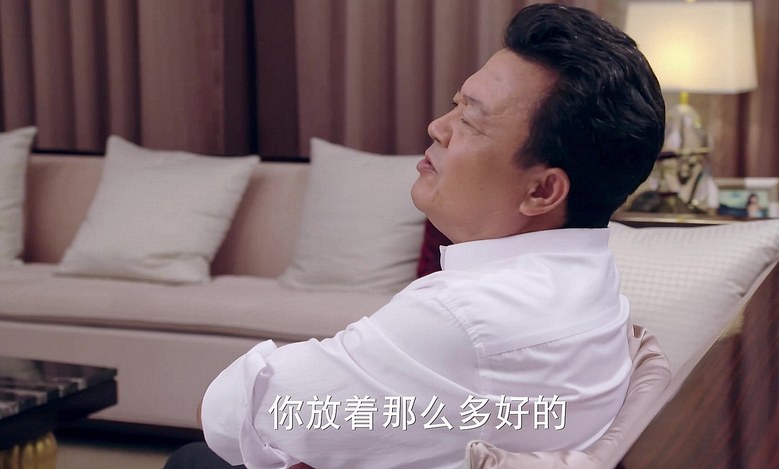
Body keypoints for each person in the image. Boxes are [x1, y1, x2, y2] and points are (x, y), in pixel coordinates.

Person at [168, 4, 664, 468]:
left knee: (195, 458)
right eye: (455, 105)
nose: (437, 127)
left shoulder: (460, 315)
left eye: (470, 121)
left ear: (542, 190)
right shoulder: (593, 273)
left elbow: (230, 415)